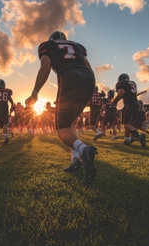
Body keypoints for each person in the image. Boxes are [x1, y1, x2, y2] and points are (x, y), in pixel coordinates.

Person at [25, 31, 97, 186]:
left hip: (70, 77)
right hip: (88, 80)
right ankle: (75, 160)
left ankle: (84, 150)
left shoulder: (47, 45)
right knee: (70, 123)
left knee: (62, 128)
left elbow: (45, 67)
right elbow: (89, 69)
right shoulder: (77, 46)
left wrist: (35, 93)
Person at [111, 73, 146, 148]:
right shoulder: (133, 83)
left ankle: (139, 135)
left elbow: (121, 93)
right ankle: (127, 140)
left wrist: (114, 102)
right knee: (129, 124)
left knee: (125, 124)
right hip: (136, 104)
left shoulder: (121, 83)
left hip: (129, 104)